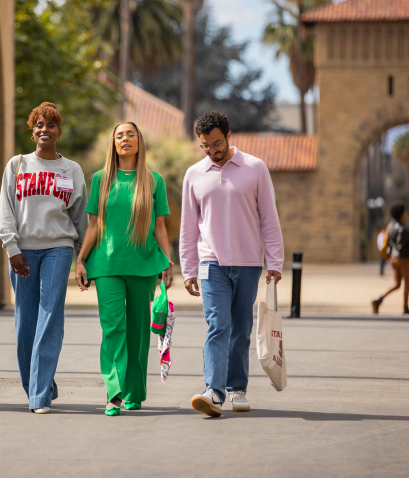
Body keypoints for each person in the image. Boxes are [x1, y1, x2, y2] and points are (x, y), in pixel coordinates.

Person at [180, 111, 284, 417]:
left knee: (241, 329)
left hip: (250, 263)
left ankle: (237, 388)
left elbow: (269, 218)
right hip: (211, 263)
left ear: (228, 135)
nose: (212, 150)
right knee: (218, 326)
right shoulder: (194, 174)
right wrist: (188, 270)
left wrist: (275, 261)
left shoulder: (255, 168)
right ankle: (213, 391)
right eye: (205, 146)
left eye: (216, 143)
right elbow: (188, 227)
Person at [75, 122, 174, 417]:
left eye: (131, 134)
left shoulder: (154, 181)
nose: (125, 139)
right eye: (119, 135)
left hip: (144, 265)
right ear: (113, 144)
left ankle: (133, 393)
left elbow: (160, 227)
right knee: (113, 328)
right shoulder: (100, 180)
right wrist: (81, 259)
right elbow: (93, 225)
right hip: (106, 265)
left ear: (139, 141)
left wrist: (168, 263)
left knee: (139, 332)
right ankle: (114, 393)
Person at [0, 102, 88, 414]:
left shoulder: (71, 170)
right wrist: (12, 249)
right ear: (32, 129)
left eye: (50, 125)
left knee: (50, 318)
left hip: (58, 249)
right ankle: (42, 385)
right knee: (26, 323)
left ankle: (37, 396)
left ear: (59, 131)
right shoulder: (17, 165)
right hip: (23, 251)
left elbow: (80, 219)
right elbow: (5, 210)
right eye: (38, 124)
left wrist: (82, 259)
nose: (44, 130)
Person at [372, 204, 409, 314]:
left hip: (393, 258)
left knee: (396, 284)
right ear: (401, 213)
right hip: (403, 258)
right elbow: (401, 246)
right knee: (407, 283)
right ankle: (405, 307)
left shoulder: (390, 226)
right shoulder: (402, 229)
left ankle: (379, 300)